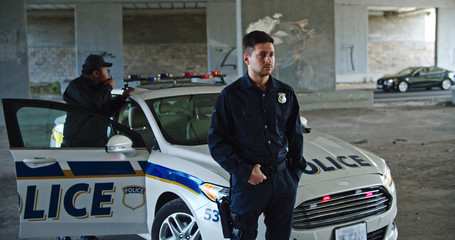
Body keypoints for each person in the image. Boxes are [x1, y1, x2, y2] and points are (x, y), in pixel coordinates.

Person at [208, 30, 305, 240]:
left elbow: (295, 136)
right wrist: (245, 171)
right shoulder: (230, 96)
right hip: (248, 184)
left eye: (271, 54)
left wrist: (294, 173)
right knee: (243, 236)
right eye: (262, 54)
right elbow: (217, 143)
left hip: (282, 181)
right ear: (247, 58)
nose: (268, 60)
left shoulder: (285, 94)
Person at [62, 54, 134, 147]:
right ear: (96, 73)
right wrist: (108, 87)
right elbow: (93, 103)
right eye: (105, 70)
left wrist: (122, 98)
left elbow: (106, 111)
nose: (108, 73)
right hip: (76, 147)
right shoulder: (76, 86)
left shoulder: (99, 90)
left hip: (96, 145)